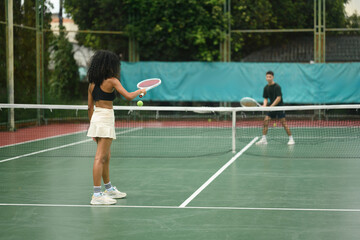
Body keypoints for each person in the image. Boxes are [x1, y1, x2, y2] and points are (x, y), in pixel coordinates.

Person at [87, 50, 147, 205]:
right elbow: (127, 96)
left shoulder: (92, 84)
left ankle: (108, 189)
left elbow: (89, 108)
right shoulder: (112, 81)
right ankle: (96, 195)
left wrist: (92, 127)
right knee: (100, 157)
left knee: (106, 156)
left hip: (96, 118)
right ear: (110, 66)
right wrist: (140, 92)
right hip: (105, 118)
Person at [256, 71, 295, 145]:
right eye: (267, 77)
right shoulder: (266, 88)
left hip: (279, 107)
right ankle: (264, 139)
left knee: (283, 123)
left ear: (273, 77)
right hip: (271, 108)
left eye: (270, 77)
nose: (268, 78)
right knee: (266, 121)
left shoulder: (277, 87)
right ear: (266, 77)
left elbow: (278, 98)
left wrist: (270, 107)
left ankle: (291, 139)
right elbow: (265, 98)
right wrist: (264, 105)